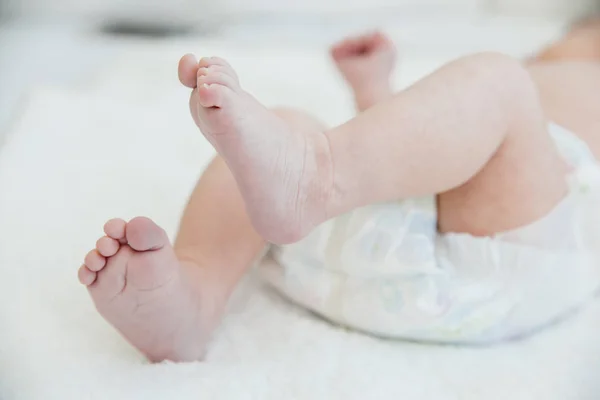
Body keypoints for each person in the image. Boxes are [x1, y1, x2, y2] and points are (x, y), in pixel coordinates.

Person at [78, 27, 600, 362]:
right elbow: (425, 150)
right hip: (376, 243)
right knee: (291, 124)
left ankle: (315, 175)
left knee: (500, 82)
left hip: (524, 247)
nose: (567, 49)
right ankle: (194, 297)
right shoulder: (547, 75)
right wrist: (376, 90)